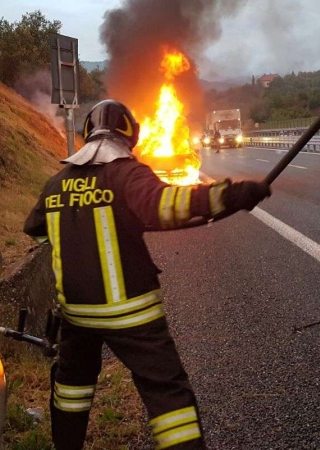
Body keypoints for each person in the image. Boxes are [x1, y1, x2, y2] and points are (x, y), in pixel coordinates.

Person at [23, 99, 270, 450]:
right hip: (133, 314)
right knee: (166, 393)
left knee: (72, 388)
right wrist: (232, 195)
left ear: (86, 133)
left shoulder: (56, 183)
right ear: (130, 134)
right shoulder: (128, 174)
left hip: (77, 315)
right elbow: (168, 206)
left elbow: (35, 230)